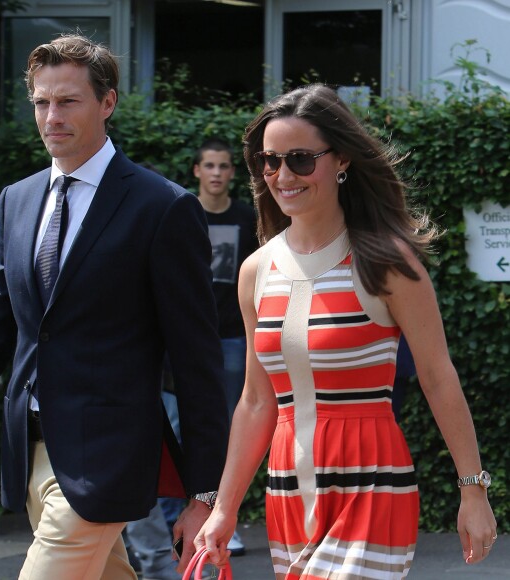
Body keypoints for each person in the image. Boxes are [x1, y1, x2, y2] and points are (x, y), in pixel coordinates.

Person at [0, 34, 229, 580]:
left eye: (68, 101)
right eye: (42, 102)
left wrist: (206, 492)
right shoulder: (16, 201)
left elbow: (197, 363)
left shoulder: (162, 208)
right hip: (31, 452)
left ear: (107, 102)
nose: (52, 116)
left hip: (110, 457)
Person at [196, 83, 497, 578]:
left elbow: (438, 377)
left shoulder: (387, 263)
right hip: (289, 488)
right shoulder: (256, 271)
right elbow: (255, 400)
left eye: (299, 159)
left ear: (341, 162)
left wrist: (473, 490)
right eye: (269, 161)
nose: (282, 175)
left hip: (373, 482)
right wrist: (223, 506)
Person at [193, 138, 258, 557]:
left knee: (234, 430)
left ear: (233, 172)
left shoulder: (246, 219)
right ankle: (178, 517)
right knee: (182, 427)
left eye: (224, 166)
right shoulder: (183, 213)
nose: (217, 172)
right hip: (190, 340)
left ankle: (224, 515)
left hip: (235, 338)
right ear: (197, 171)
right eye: (209, 166)